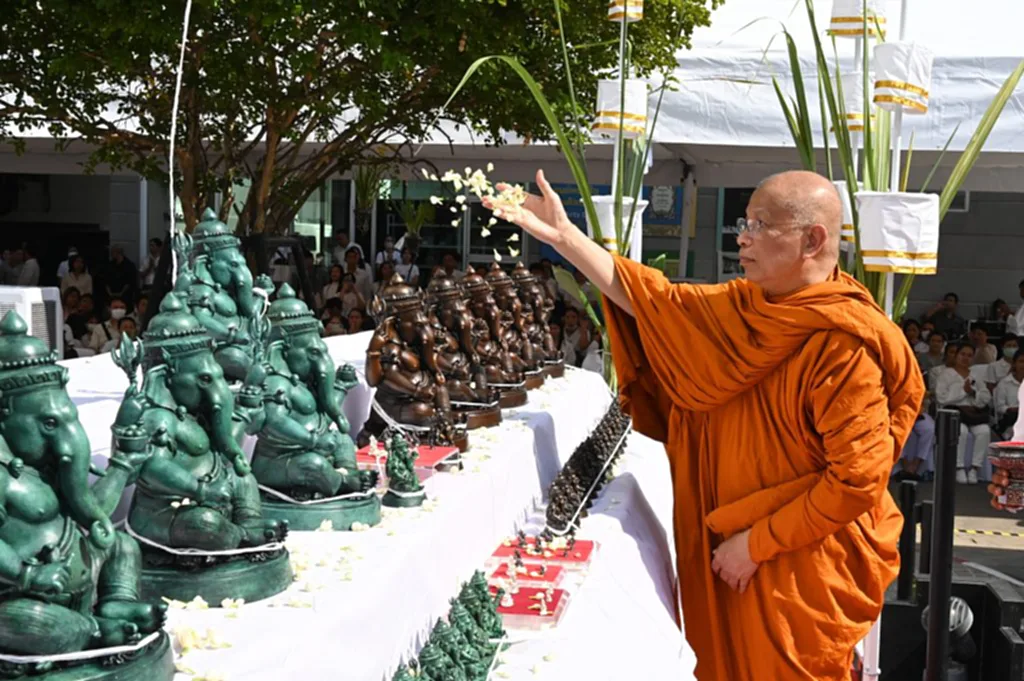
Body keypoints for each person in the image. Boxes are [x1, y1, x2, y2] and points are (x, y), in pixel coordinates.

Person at [486, 169, 924, 681]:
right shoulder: (741, 308)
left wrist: (756, 545)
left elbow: (856, 481)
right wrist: (567, 238)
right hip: (727, 552)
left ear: (812, 240)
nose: (743, 237)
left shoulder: (844, 345)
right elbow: (654, 301)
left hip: (792, 567)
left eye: (760, 225)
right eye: (745, 223)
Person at [935, 342, 991, 485]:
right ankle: (958, 467)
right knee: (962, 431)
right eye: (962, 354)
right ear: (956, 355)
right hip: (953, 413)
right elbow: (941, 398)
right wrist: (963, 392)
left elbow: (986, 397)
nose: (965, 358)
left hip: (972, 413)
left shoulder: (975, 375)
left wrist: (973, 392)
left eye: (969, 356)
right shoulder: (946, 374)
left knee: (984, 431)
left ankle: (975, 468)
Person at [993, 349, 1024, 440]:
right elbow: (999, 407)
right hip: (1010, 422)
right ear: (1014, 364)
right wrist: (1009, 409)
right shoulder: (1004, 383)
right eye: (1021, 361)